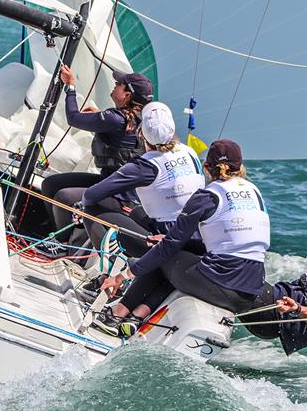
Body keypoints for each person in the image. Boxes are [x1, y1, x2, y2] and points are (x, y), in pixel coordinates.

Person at [97, 139, 270, 336]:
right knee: (179, 254)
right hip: (250, 292)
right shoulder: (254, 193)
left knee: (166, 255)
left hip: (222, 287)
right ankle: (137, 316)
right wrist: (176, 242)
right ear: (240, 167)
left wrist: (123, 275)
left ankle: (117, 315)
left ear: (206, 167)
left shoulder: (206, 197)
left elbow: (168, 249)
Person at [77, 102, 205, 294]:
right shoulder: (189, 152)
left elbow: (91, 195)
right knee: (136, 212)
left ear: (142, 133)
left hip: (168, 240)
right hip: (197, 237)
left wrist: (81, 205)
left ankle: (108, 273)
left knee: (91, 209)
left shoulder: (145, 166)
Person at [39, 67, 153, 247]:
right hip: (109, 181)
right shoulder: (137, 118)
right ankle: (61, 232)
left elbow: (74, 118)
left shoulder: (116, 119)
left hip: (120, 196)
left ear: (127, 96)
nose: (114, 85)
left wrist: (70, 86)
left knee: (63, 197)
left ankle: (62, 245)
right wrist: (99, 116)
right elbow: (118, 132)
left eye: (119, 84)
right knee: (50, 184)